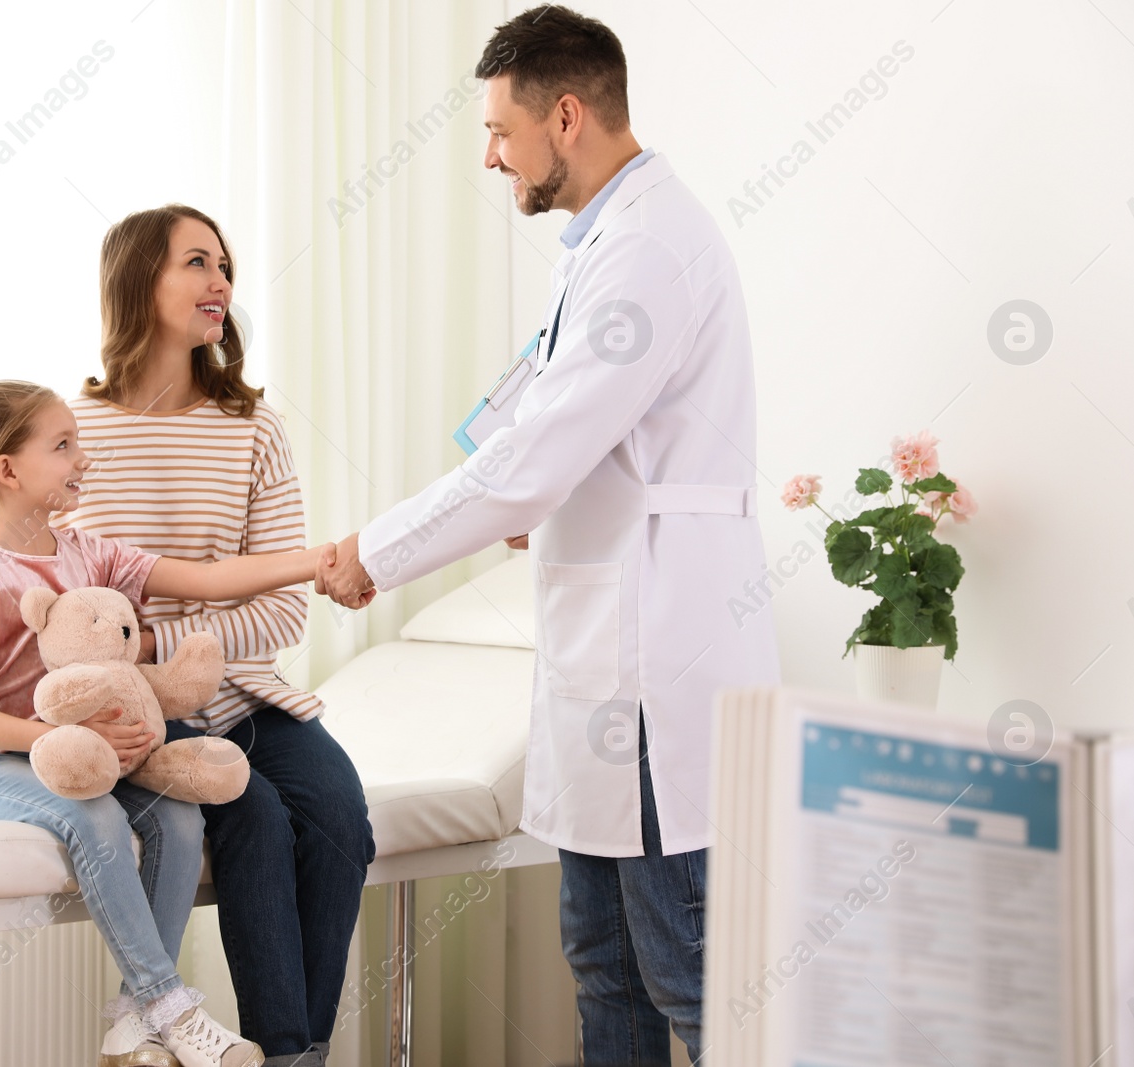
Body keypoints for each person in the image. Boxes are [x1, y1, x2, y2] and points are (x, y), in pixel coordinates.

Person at [318, 7, 781, 1065]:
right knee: (602, 959)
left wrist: (373, 554)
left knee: (690, 972)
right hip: (600, 658)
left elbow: (525, 460)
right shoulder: (603, 243)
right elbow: (560, 443)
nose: (490, 155)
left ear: (565, 115)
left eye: (497, 130)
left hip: (657, 661)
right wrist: (551, 492)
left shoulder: (647, 249)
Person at [0, 205, 374, 1067]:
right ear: (139, 283)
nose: (221, 283)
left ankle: (297, 1054)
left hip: (242, 693)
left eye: (225, 264)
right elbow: (25, 568)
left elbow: (276, 614)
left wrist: (153, 648)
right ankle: (261, 1045)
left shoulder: (254, 429)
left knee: (340, 816)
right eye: (196, 263)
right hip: (126, 710)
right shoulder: (71, 435)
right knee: (257, 820)